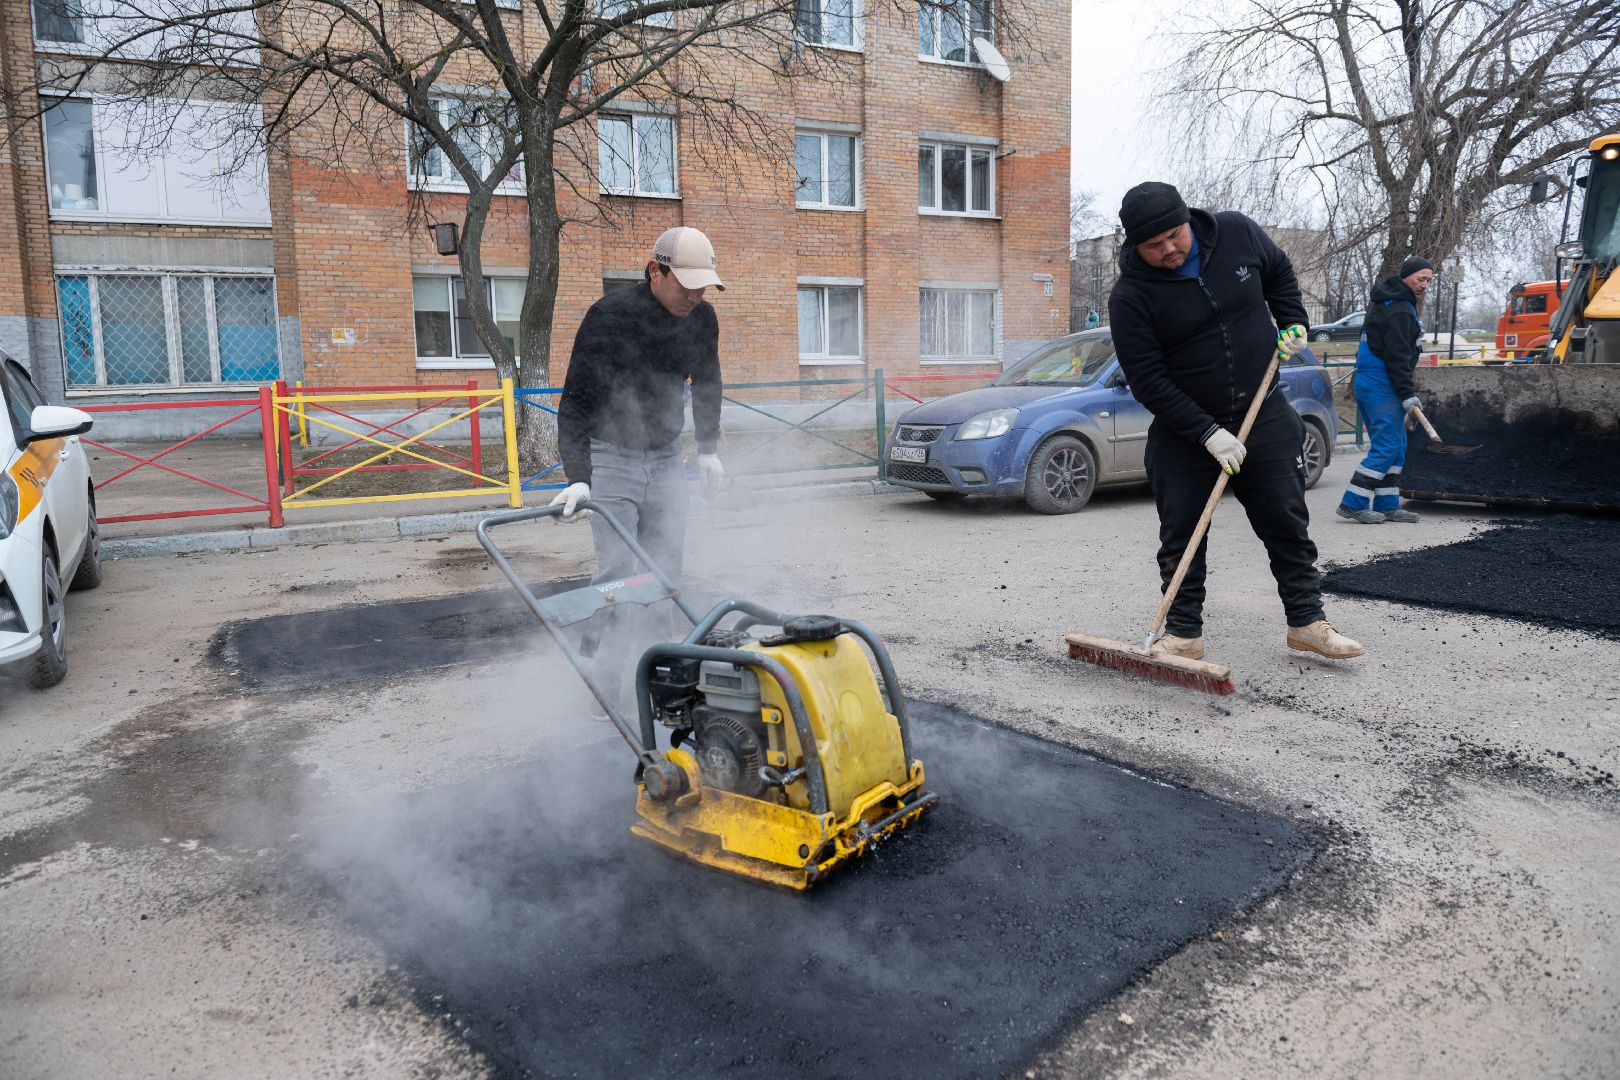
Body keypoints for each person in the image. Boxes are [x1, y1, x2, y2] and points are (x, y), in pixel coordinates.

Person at [1106, 181, 1363, 661]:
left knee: (1285, 521)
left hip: (1260, 412)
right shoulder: (1131, 296)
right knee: (1182, 533)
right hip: (1186, 432)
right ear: (1135, 246)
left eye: (1175, 236)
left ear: (1188, 220)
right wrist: (1207, 433)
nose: (1168, 250)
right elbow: (1148, 380)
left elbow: (1280, 272)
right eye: (1153, 245)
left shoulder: (1237, 234)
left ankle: (1307, 622)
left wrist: (1292, 320)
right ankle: (1184, 633)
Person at [551, 226, 726, 703]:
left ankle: (661, 683)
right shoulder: (609, 317)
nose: (695, 295)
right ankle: (602, 684)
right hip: (612, 459)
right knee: (616, 575)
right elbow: (575, 401)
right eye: (686, 284)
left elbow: (707, 381)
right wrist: (580, 478)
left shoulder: (701, 317)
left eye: (702, 285)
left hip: (667, 459)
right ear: (655, 270)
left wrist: (707, 450)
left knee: (664, 574)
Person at [1336, 258, 1434, 524]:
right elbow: (1398, 357)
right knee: (1387, 445)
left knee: (1397, 446)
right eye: (1420, 279)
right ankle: (1352, 503)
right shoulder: (1400, 309)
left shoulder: (1388, 302)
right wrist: (1406, 393)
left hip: (1372, 382)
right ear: (1406, 277)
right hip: (1382, 382)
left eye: (1428, 280)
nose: (1424, 285)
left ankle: (1388, 504)